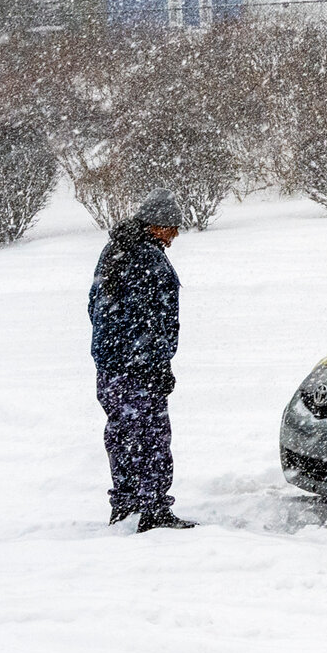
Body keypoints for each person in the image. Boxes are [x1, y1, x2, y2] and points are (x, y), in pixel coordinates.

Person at [89, 190, 195, 532]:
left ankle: (125, 504)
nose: (176, 234)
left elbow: (95, 304)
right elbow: (152, 318)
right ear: (156, 225)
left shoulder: (114, 250)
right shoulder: (147, 257)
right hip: (139, 368)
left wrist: (112, 347)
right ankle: (154, 511)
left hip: (110, 367)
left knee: (121, 434)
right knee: (152, 437)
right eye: (172, 227)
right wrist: (156, 363)